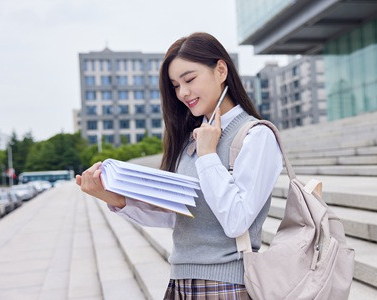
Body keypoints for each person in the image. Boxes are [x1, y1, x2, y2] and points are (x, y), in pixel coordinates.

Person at [76, 32, 283, 299]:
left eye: (189, 79)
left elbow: (237, 221)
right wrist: (114, 198)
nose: (183, 93)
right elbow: (179, 215)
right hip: (181, 282)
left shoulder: (256, 135)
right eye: (175, 85)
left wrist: (208, 155)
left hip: (226, 285)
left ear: (221, 70)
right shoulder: (190, 138)